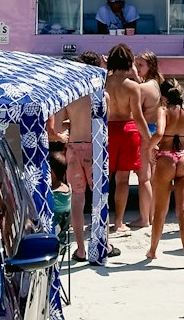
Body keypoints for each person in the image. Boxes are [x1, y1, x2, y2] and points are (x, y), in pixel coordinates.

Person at [56, 50, 121, 261]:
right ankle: (103, 244)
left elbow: (57, 125)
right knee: (100, 198)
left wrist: (71, 125)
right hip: (96, 149)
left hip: (74, 148)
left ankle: (81, 249)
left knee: (77, 197)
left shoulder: (70, 96)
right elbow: (103, 124)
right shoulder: (103, 96)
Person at [146, 79, 184, 268]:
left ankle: (153, 250)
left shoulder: (163, 111)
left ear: (163, 97)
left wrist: (150, 148)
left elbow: (159, 133)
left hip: (165, 160)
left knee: (160, 209)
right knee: (183, 210)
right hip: (183, 160)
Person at [104, 43, 150, 234]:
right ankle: (119, 222)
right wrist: (149, 138)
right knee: (123, 179)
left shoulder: (102, 83)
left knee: (103, 178)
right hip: (128, 131)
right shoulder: (132, 87)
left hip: (106, 130)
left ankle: (102, 220)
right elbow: (138, 116)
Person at [130, 51, 163, 228]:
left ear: (150, 66)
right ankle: (149, 216)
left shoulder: (142, 88)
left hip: (144, 134)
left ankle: (144, 218)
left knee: (144, 178)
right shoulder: (156, 84)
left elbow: (135, 112)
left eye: (140, 65)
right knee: (151, 178)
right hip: (153, 131)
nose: (137, 68)